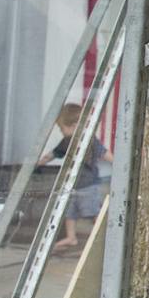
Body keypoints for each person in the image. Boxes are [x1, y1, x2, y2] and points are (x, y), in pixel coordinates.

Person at [42, 102, 106, 253]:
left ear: (75, 125)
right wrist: (40, 161)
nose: (61, 131)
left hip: (88, 185)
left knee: (92, 211)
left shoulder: (89, 140)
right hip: (73, 186)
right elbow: (54, 153)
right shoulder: (66, 142)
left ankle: (102, 235)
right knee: (70, 212)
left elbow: (104, 153)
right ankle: (71, 237)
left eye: (62, 128)